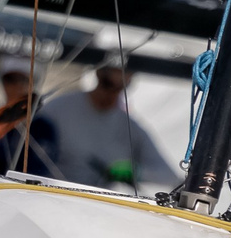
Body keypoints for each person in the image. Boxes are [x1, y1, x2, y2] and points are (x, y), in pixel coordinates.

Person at [41, 64, 177, 193]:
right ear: (98, 74)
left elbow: (169, 176)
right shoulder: (59, 108)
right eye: (107, 84)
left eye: (120, 87)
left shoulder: (131, 128)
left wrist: (137, 172)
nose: (111, 94)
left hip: (100, 204)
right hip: (54, 194)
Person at [0, 68, 60, 177]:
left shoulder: (43, 127)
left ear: (33, 84)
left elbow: (40, 169)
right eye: (10, 79)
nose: (17, 85)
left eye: (24, 80)